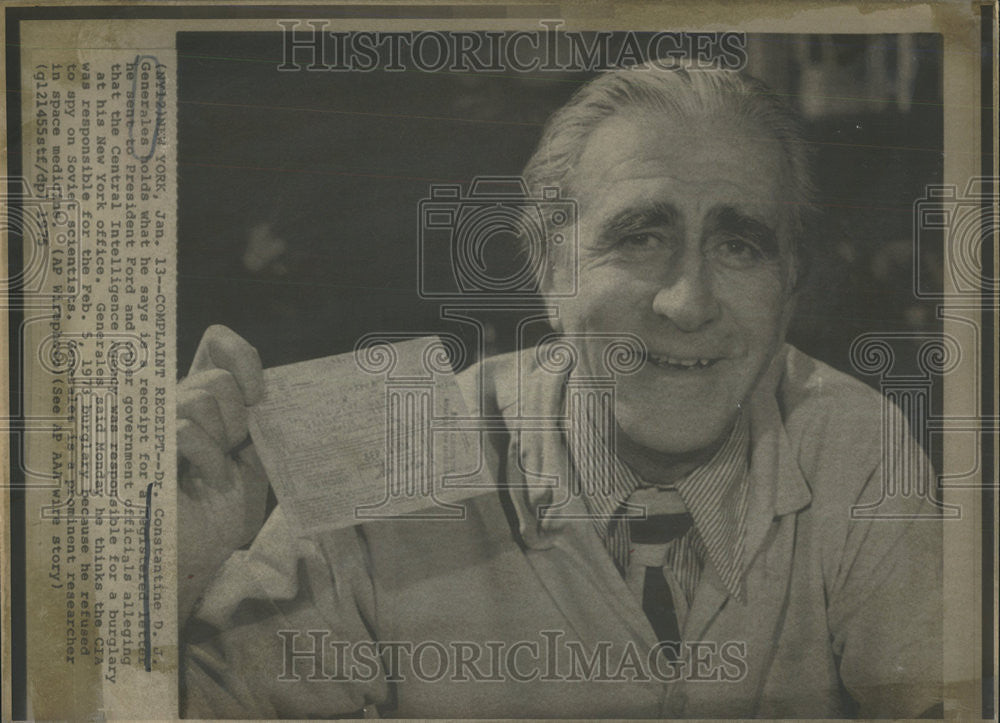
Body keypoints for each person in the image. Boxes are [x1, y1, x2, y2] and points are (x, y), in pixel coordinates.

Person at [177, 63, 943, 718]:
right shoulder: (389, 443)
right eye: (640, 237)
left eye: (741, 245)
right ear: (549, 267)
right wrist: (162, 566)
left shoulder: (857, 446)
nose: (689, 302)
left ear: (789, 288)